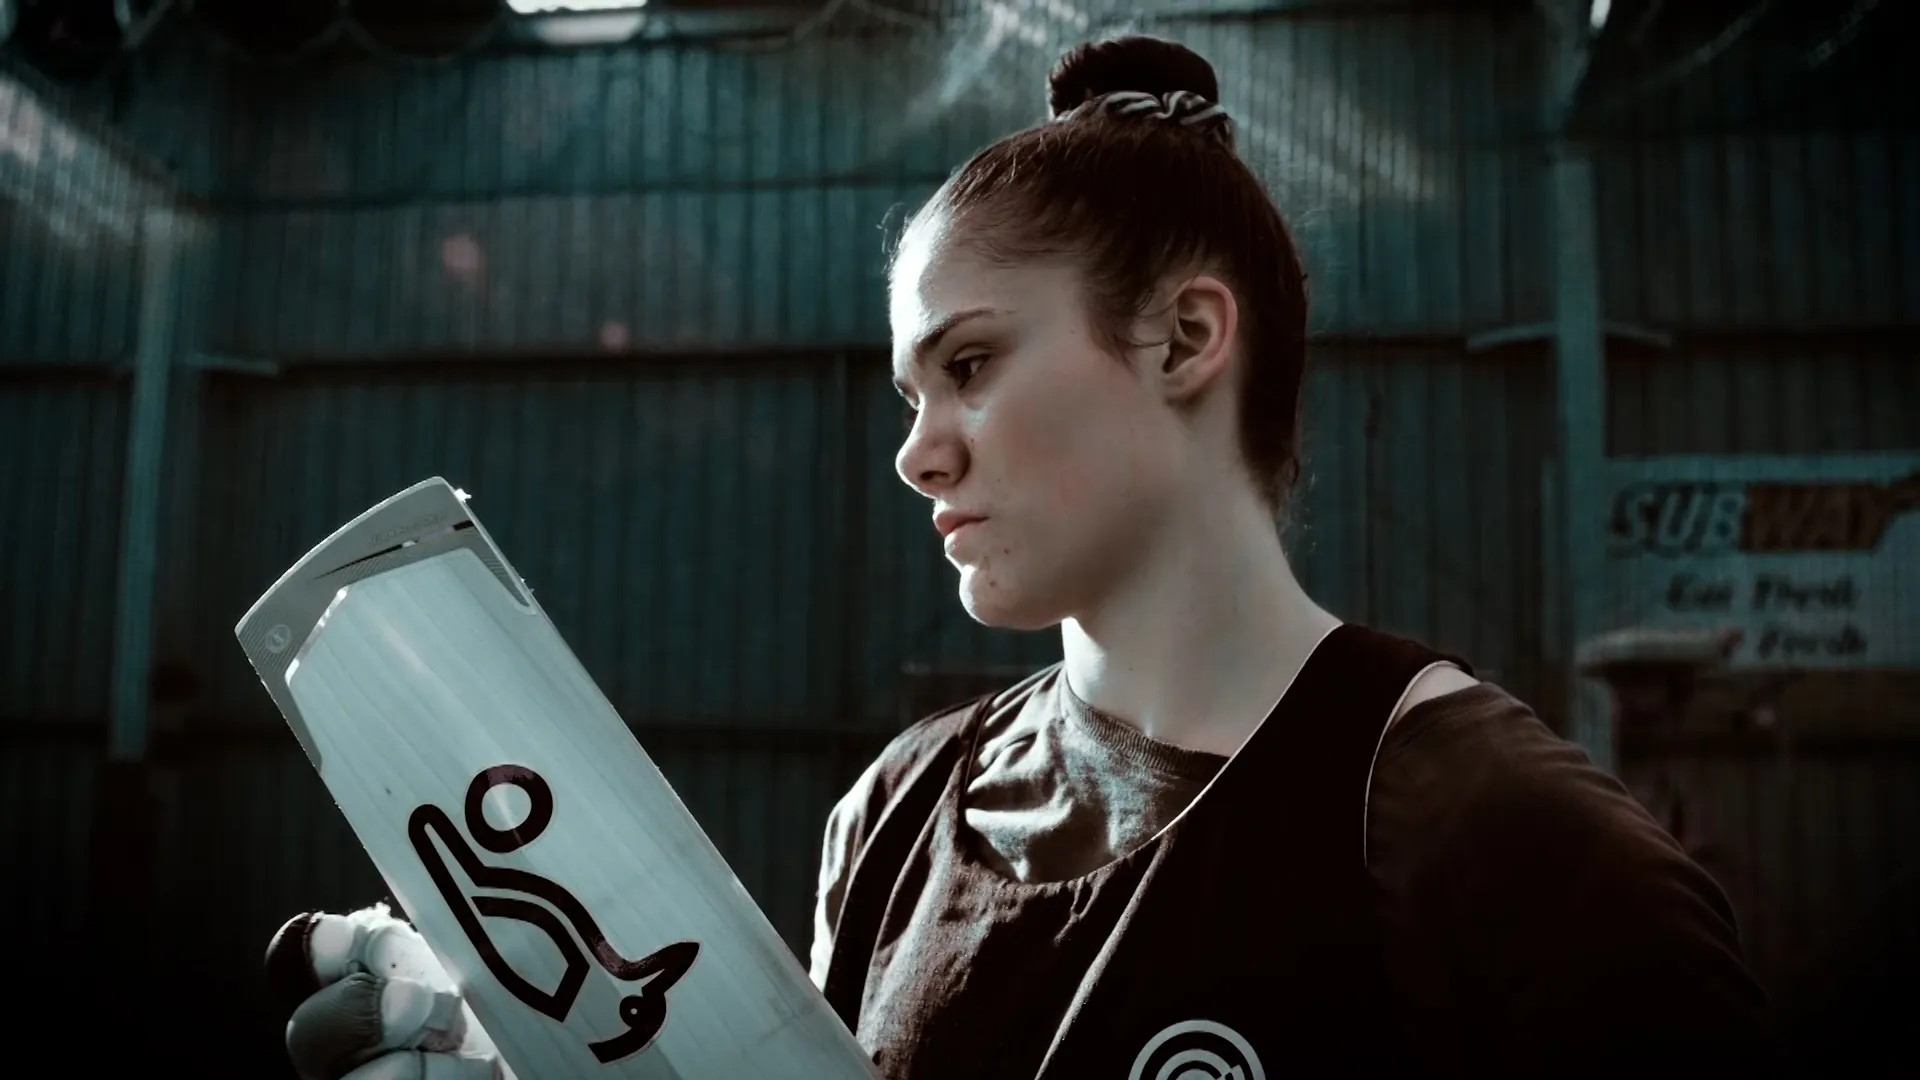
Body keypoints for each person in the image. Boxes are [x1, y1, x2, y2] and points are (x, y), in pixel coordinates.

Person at [265, 34, 1777, 1080]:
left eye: (972, 366)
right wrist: (537, 1051)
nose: (920, 452)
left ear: (1185, 337)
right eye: (911, 396)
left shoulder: (1499, 842)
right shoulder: (897, 813)